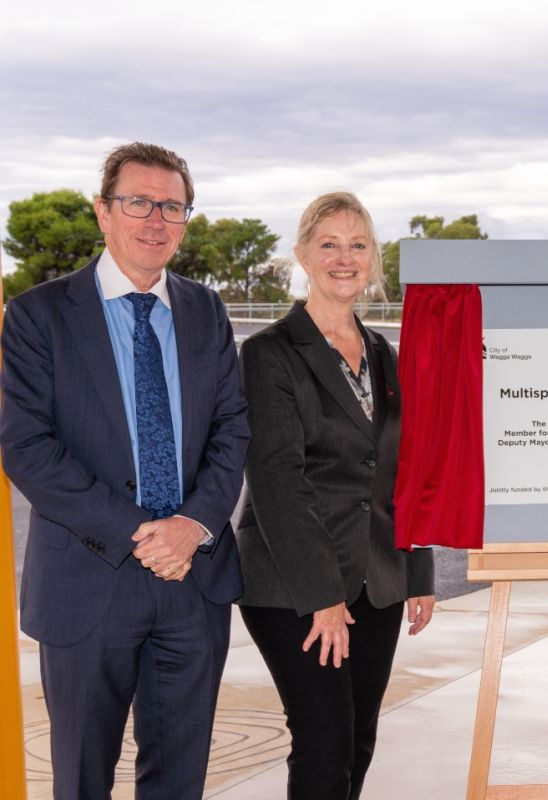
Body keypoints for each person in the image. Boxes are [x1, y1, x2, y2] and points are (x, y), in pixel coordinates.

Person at [0, 143, 249, 799]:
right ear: (103, 212)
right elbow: (26, 446)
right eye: (137, 202)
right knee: (82, 778)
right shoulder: (38, 316)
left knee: (180, 779)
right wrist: (145, 534)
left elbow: (233, 430)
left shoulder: (207, 311)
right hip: (90, 583)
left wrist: (192, 526)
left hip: (193, 584)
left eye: (172, 206)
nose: (155, 220)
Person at [236, 191, 435, 800]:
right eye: (329, 244)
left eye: (358, 245)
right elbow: (276, 481)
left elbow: (408, 468)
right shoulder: (270, 353)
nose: (344, 258)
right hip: (295, 586)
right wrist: (321, 598)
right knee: (324, 742)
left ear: (373, 259)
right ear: (302, 255)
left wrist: (419, 572)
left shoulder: (385, 355)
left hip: (378, 580)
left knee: (358, 742)